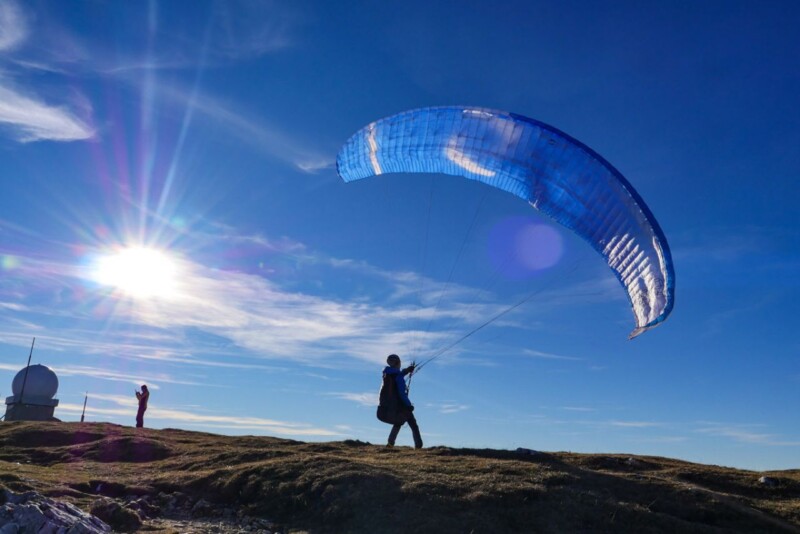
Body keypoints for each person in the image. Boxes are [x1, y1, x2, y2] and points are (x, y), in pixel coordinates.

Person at [377, 354, 422, 448]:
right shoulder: (398, 377)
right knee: (413, 424)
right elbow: (402, 393)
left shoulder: (387, 374)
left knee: (399, 422)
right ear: (397, 363)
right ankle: (418, 446)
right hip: (400, 404)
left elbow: (399, 374)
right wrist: (409, 406)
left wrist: (407, 370)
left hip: (390, 406)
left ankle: (390, 444)